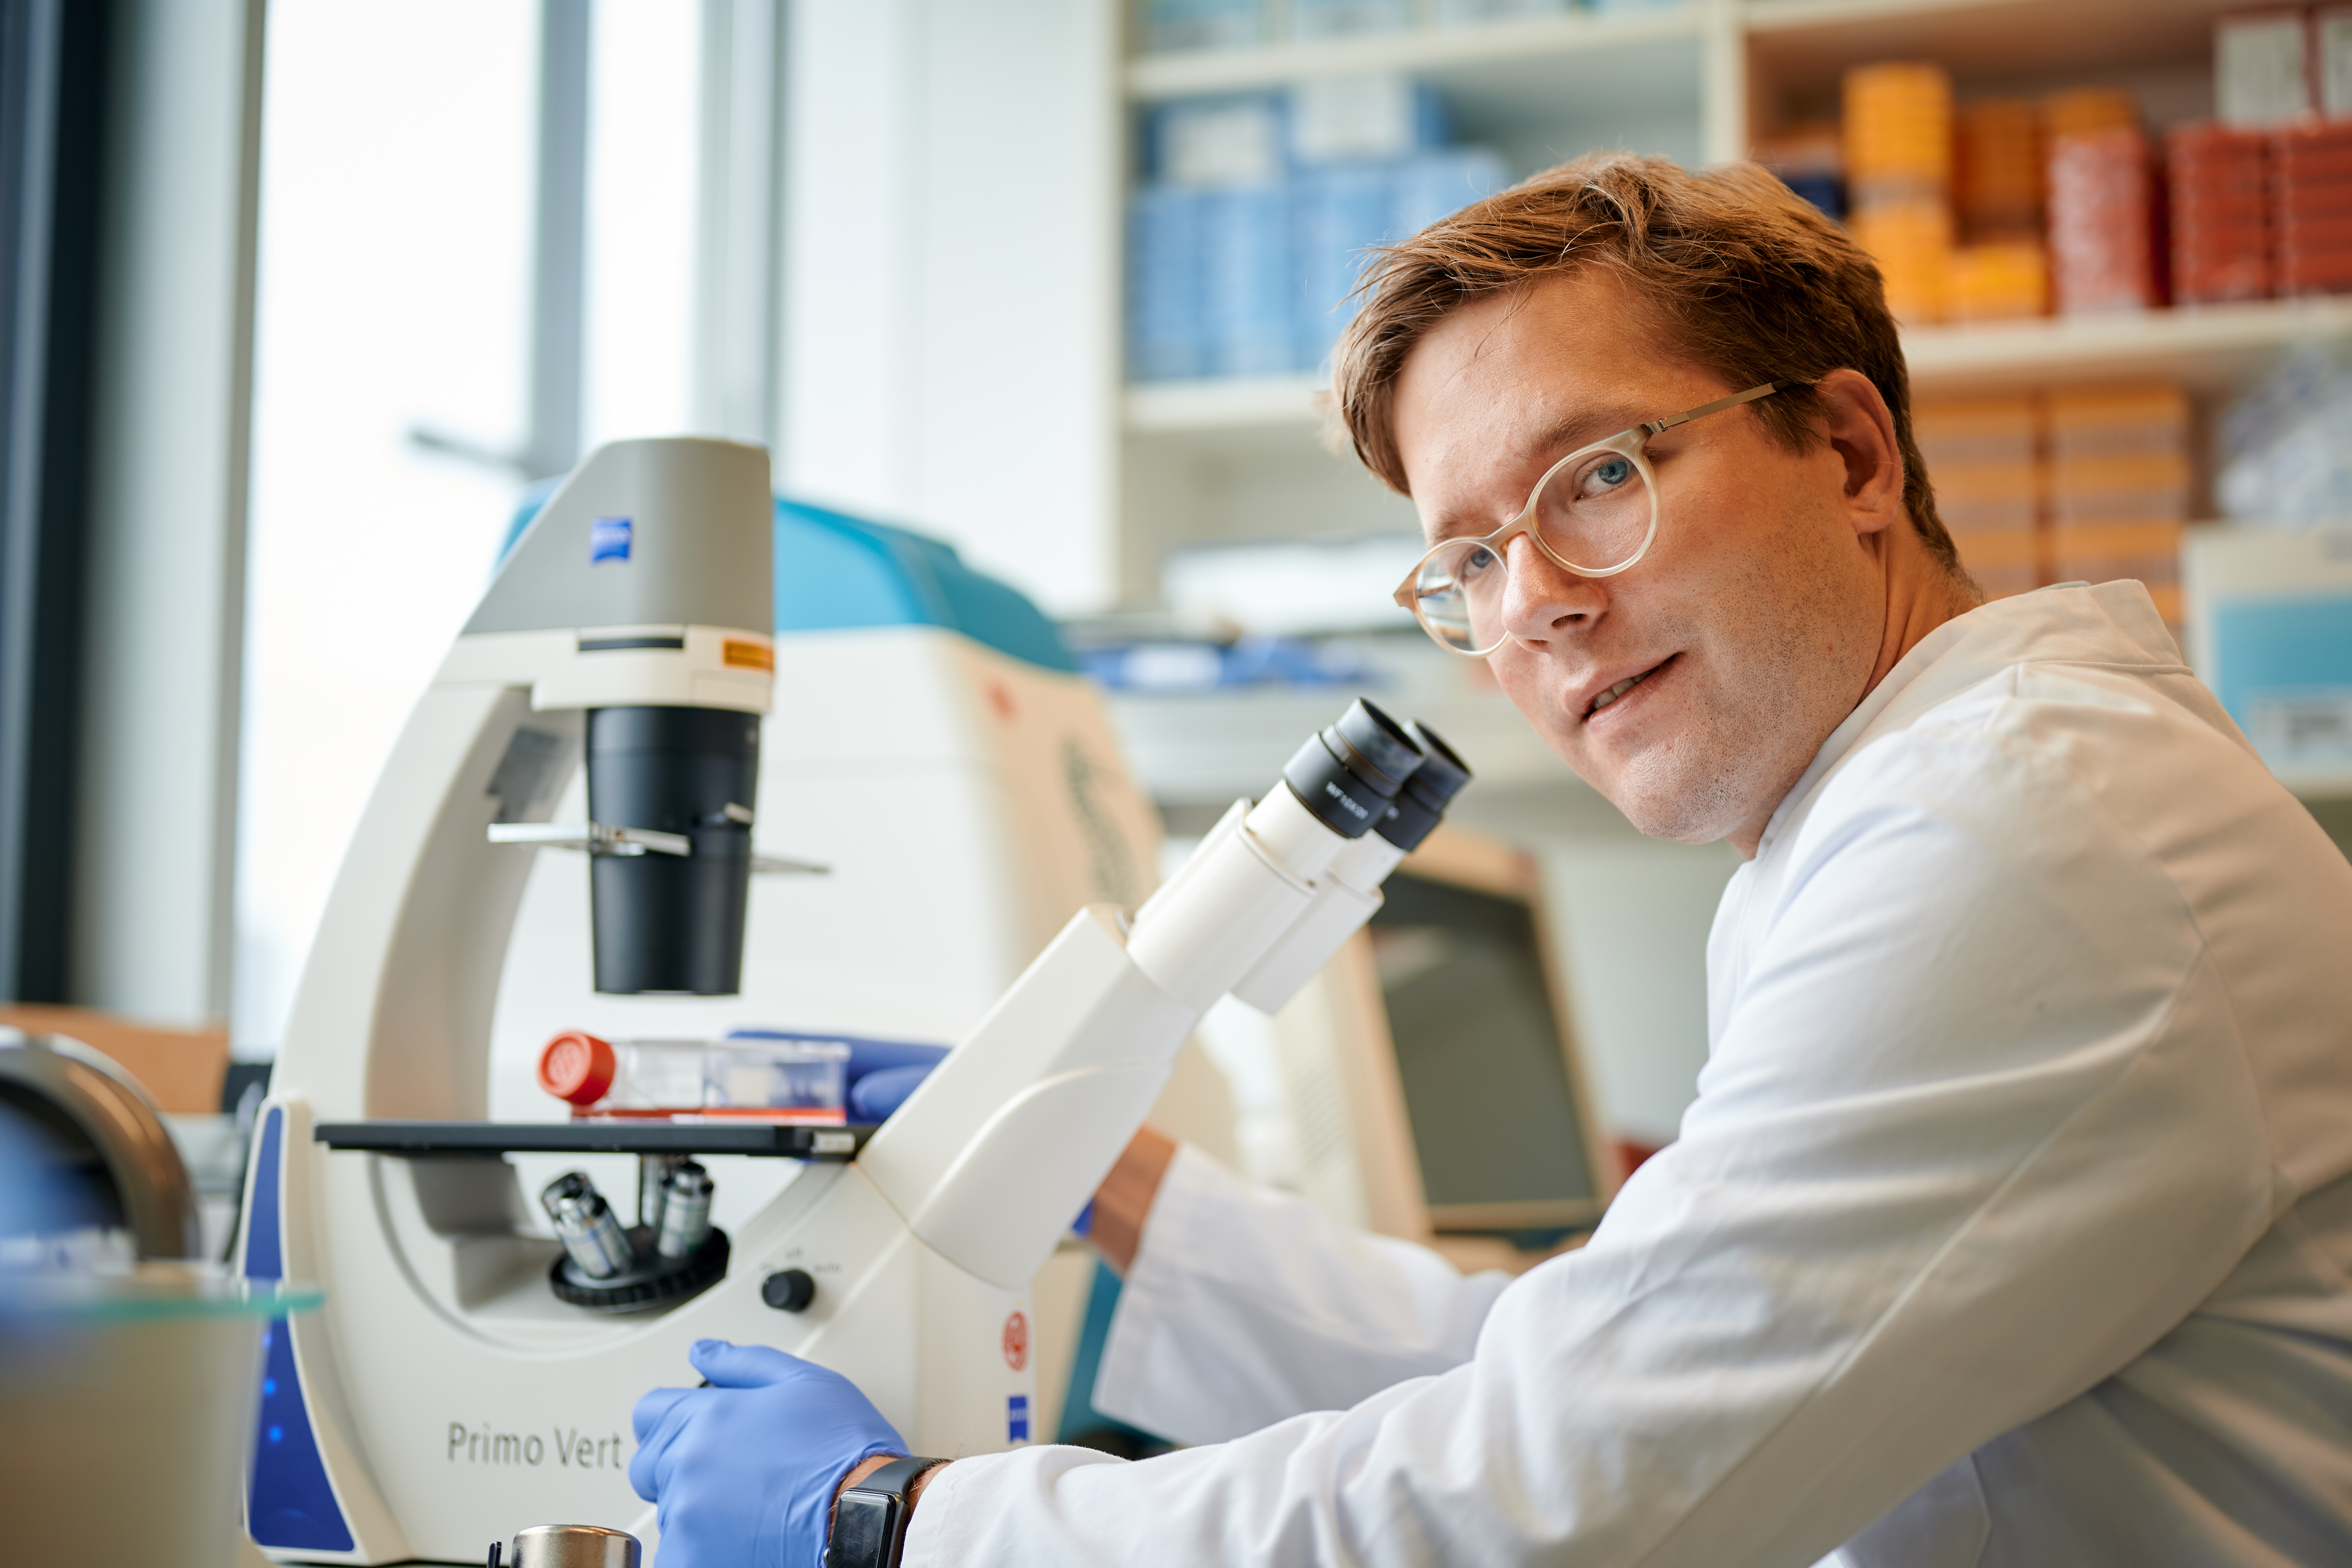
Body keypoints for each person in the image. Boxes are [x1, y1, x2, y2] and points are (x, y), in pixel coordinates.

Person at [626, 153, 2352, 1567]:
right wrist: (1131, 1194)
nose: (1531, 605)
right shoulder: (1896, 810)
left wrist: (895, 1525)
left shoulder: (2007, 829)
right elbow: (1605, 1370)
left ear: (1847, 453)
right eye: (1464, 560)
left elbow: (1564, 1496)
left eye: (1594, 477)